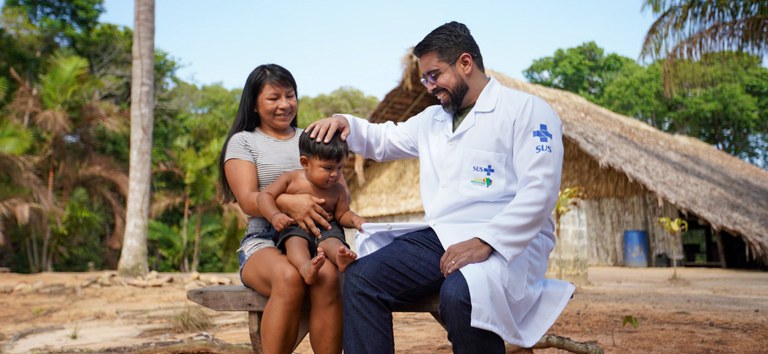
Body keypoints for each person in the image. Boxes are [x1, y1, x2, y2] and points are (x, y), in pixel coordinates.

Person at [307, 21, 575, 354]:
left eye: (435, 75)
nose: (429, 86)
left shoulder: (528, 112)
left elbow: (540, 191)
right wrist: (347, 123)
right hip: (443, 235)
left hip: (510, 240)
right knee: (362, 278)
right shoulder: (432, 120)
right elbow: (384, 139)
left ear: (465, 63)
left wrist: (485, 241)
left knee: (460, 295)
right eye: (424, 78)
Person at [218, 64, 342, 354]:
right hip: (264, 239)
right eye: (274, 98)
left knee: (327, 278)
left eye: (290, 95)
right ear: (255, 104)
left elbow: (336, 185)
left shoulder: (312, 139)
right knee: (288, 277)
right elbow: (248, 199)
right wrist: (288, 202)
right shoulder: (244, 141)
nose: (285, 104)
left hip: (315, 236)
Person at [258, 131, 363, 285]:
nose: (335, 174)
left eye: (339, 168)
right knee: (295, 241)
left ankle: (340, 258)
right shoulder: (291, 178)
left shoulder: (338, 189)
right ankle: (305, 267)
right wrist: (274, 216)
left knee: (333, 242)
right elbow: (265, 195)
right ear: (305, 163)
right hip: (295, 225)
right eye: (327, 168)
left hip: (327, 227)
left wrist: (355, 219)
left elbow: (342, 214)